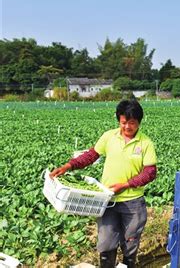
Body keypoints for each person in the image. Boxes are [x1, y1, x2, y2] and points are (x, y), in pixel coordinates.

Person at [50, 100, 157, 268]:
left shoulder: (146, 143)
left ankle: (128, 264)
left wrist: (126, 184)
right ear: (118, 120)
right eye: (124, 122)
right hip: (107, 201)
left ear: (139, 122)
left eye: (132, 123)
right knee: (106, 243)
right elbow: (91, 155)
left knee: (130, 243)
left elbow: (150, 173)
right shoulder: (109, 137)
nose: (127, 127)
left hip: (133, 203)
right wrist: (68, 166)